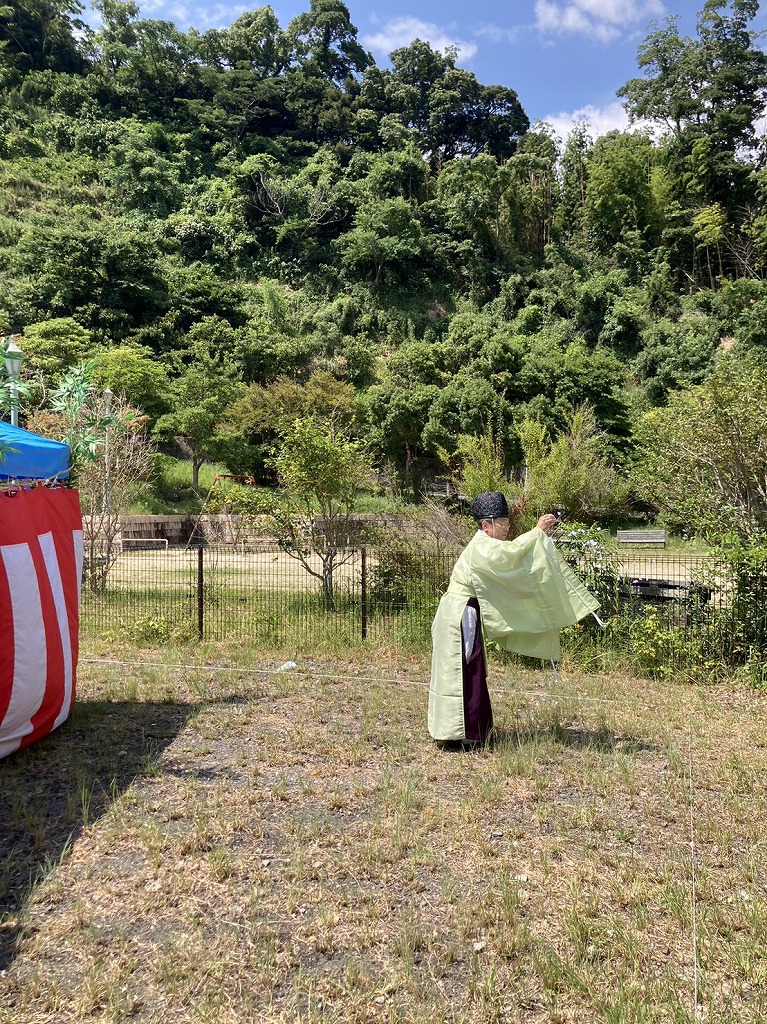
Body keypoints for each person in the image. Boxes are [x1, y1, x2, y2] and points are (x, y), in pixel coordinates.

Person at [428, 491, 600, 748]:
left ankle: (462, 732)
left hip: (460, 612)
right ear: (486, 525)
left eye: (508, 522)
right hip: (460, 614)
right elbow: (512, 556)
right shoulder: (481, 546)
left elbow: (508, 555)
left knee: (460, 672)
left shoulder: (484, 546)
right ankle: (467, 734)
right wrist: (537, 532)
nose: (507, 527)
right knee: (465, 671)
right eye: (503, 523)